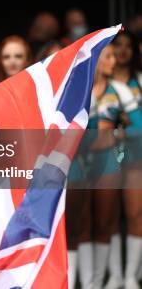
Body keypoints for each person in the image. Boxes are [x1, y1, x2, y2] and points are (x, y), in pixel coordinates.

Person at [66, 43, 117, 288]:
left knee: (100, 223)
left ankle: (95, 282)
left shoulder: (108, 93)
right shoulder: (73, 91)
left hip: (98, 164)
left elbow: (104, 137)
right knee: (79, 226)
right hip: (76, 164)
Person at [102, 31, 142, 289]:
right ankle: (115, 275)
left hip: (136, 156)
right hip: (104, 157)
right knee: (109, 216)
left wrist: (123, 128)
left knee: (136, 213)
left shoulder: (140, 81)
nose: (124, 51)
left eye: (129, 46)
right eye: (118, 45)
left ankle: (130, 276)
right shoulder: (99, 84)